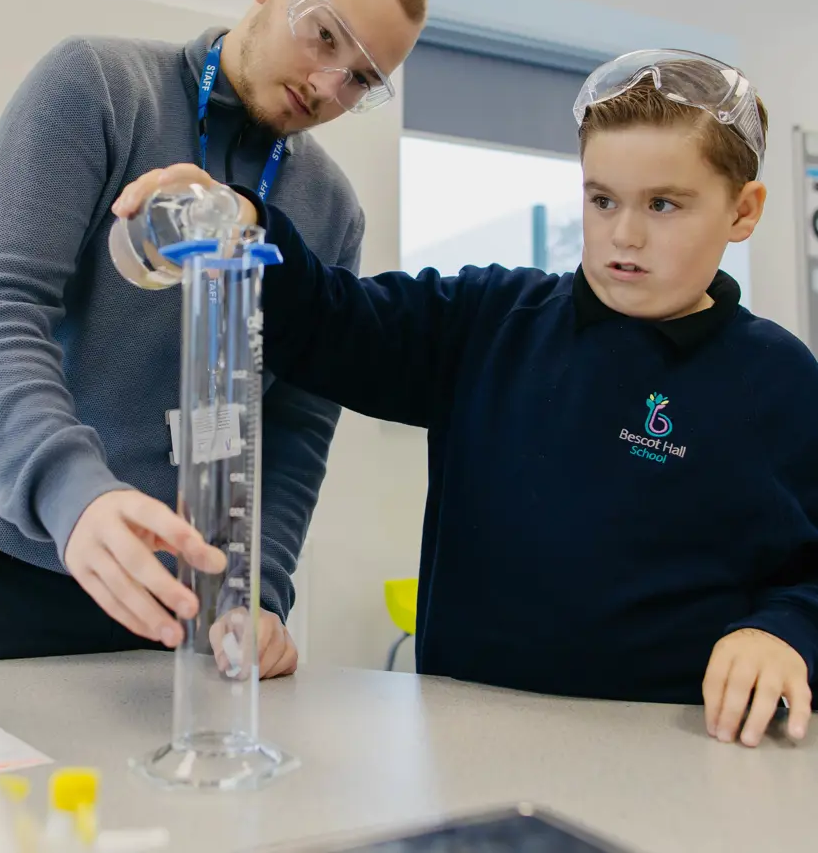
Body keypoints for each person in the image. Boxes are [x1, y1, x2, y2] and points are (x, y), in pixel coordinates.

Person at [115, 49, 818, 746]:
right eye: (602, 200)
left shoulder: (779, 380)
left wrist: (782, 632)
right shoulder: (490, 321)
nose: (623, 235)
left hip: (674, 754)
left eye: (663, 204)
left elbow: (808, 575)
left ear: (743, 210)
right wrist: (247, 223)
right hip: (467, 742)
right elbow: (336, 323)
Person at [0, 0, 427, 675]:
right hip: (5, 569)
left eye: (363, 80)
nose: (327, 85)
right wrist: (74, 495)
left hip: (176, 603)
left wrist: (257, 593)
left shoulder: (330, 208)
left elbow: (296, 424)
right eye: (324, 36)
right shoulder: (99, 86)